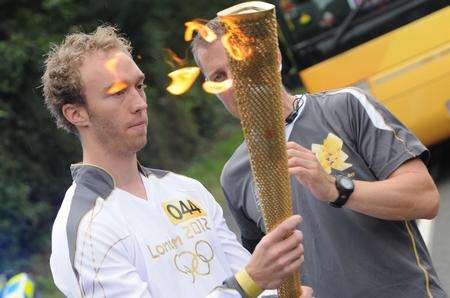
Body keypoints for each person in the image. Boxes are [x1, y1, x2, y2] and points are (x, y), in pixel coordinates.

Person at [42, 25, 313, 298]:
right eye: (118, 92)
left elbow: (255, 284)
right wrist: (248, 282)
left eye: (139, 86)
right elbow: (249, 281)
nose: (139, 103)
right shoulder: (87, 228)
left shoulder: (186, 189)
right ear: (76, 113)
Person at [191, 18, 447, 298]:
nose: (235, 82)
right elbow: (269, 269)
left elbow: (425, 198)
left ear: (273, 59)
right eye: (218, 77)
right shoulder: (235, 175)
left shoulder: (347, 107)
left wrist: (337, 190)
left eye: (241, 63)